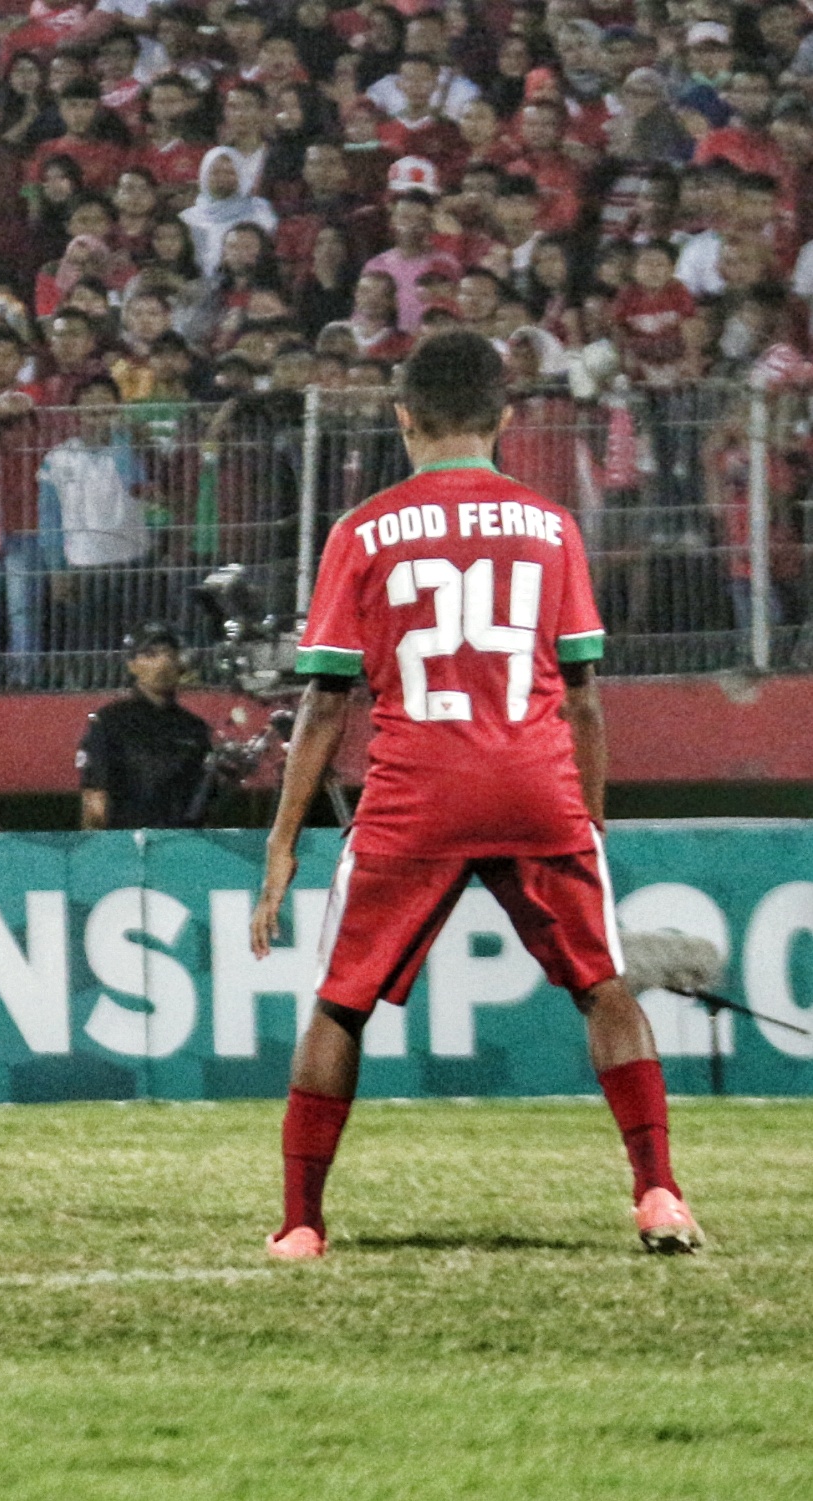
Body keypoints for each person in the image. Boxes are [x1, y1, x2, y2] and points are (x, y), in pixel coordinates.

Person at [249, 333, 701, 1262]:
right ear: (502, 418)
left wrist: (281, 840)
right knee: (605, 989)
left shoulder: (360, 530)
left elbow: (325, 699)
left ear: (402, 416)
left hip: (416, 794)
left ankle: (300, 1221)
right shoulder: (550, 525)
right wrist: (589, 813)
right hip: (535, 784)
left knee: (339, 1006)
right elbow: (581, 693)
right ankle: (657, 1193)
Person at [76, 623, 213, 830]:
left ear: (180, 663)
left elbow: (204, 805)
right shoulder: (109, 722)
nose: (162, 663)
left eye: (169, 654)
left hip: (182, 848)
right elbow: (95, 802)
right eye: (150, 655)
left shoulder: (195, 728)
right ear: (132, 665)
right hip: (125, 849)